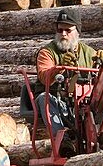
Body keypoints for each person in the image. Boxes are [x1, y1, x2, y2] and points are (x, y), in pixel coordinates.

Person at [34, 7, 97, 139]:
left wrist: (102, 63)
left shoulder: (89, 53)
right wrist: (60, 68)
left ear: (77, 31)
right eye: (60, 30)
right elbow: (45, 77)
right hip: (58, 102)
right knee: (43, 98)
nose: (63, 34)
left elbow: (102, 79)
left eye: (68, 30)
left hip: (83, 103)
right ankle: (63, 141)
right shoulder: (47, 52)